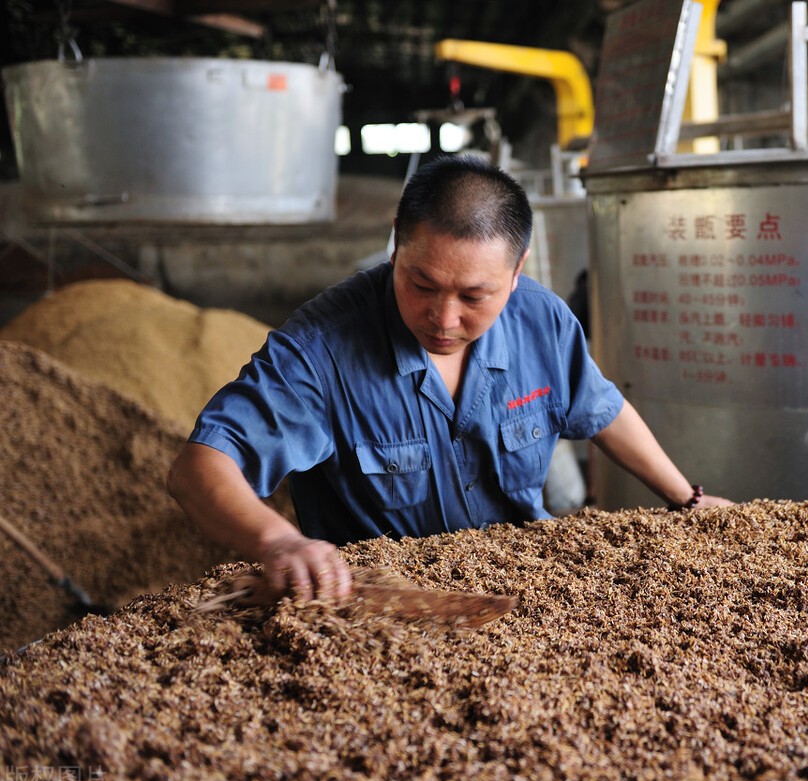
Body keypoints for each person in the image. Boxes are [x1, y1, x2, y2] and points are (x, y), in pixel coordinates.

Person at [167, 155, 731, 602]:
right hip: (387, 608)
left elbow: (601, 409)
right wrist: (278, 540)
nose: (444, 318)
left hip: (526, 588)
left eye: (474, 296)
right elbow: (200, 467)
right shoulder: (322, 351)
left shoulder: (543, 321)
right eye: (422, 285)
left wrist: (687, 499)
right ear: (396, 244)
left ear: (517, 271)